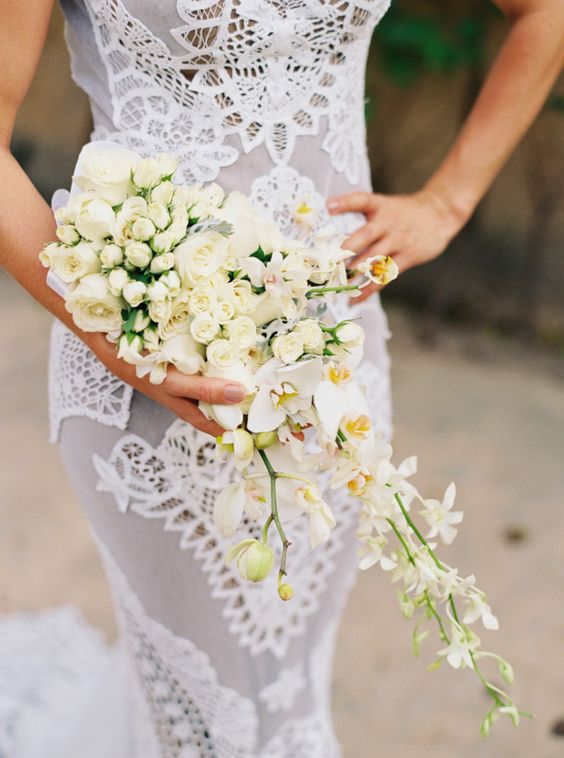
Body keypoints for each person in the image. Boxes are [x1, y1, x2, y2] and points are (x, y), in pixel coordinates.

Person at [0, 1, 562, 756]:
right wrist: (113, 339)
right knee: (216, 724)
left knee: (287, 681)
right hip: (147, 382)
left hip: (335, 370)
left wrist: (450, 199)